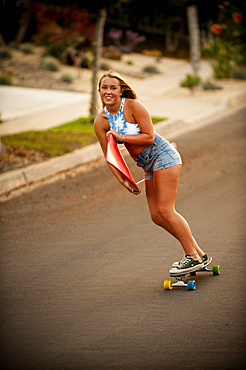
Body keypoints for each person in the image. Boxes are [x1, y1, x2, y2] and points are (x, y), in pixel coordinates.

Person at [94, 70, 210, 274]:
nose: (109, 91)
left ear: (121, 91)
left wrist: (122, 137)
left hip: (163, 156)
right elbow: (110, 157)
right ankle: (199, 254)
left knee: (166, 210)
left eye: (113, 87)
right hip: (147, 164)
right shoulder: (101, 121)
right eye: (105, 87)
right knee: (156, 216)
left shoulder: (133, 106)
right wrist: (124, 181)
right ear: (99, 90)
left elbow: (148, 137)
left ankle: (191, 256)